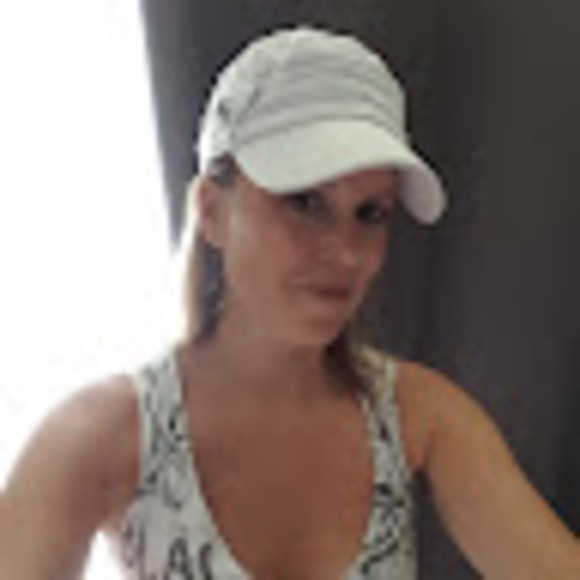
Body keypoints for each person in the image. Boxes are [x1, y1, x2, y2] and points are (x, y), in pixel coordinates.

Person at [0, 25, 578, 580]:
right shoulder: (99, 435)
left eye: (370, 213)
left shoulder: (422, 418)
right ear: (212, 211)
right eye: (304, 202)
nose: (346, 254)